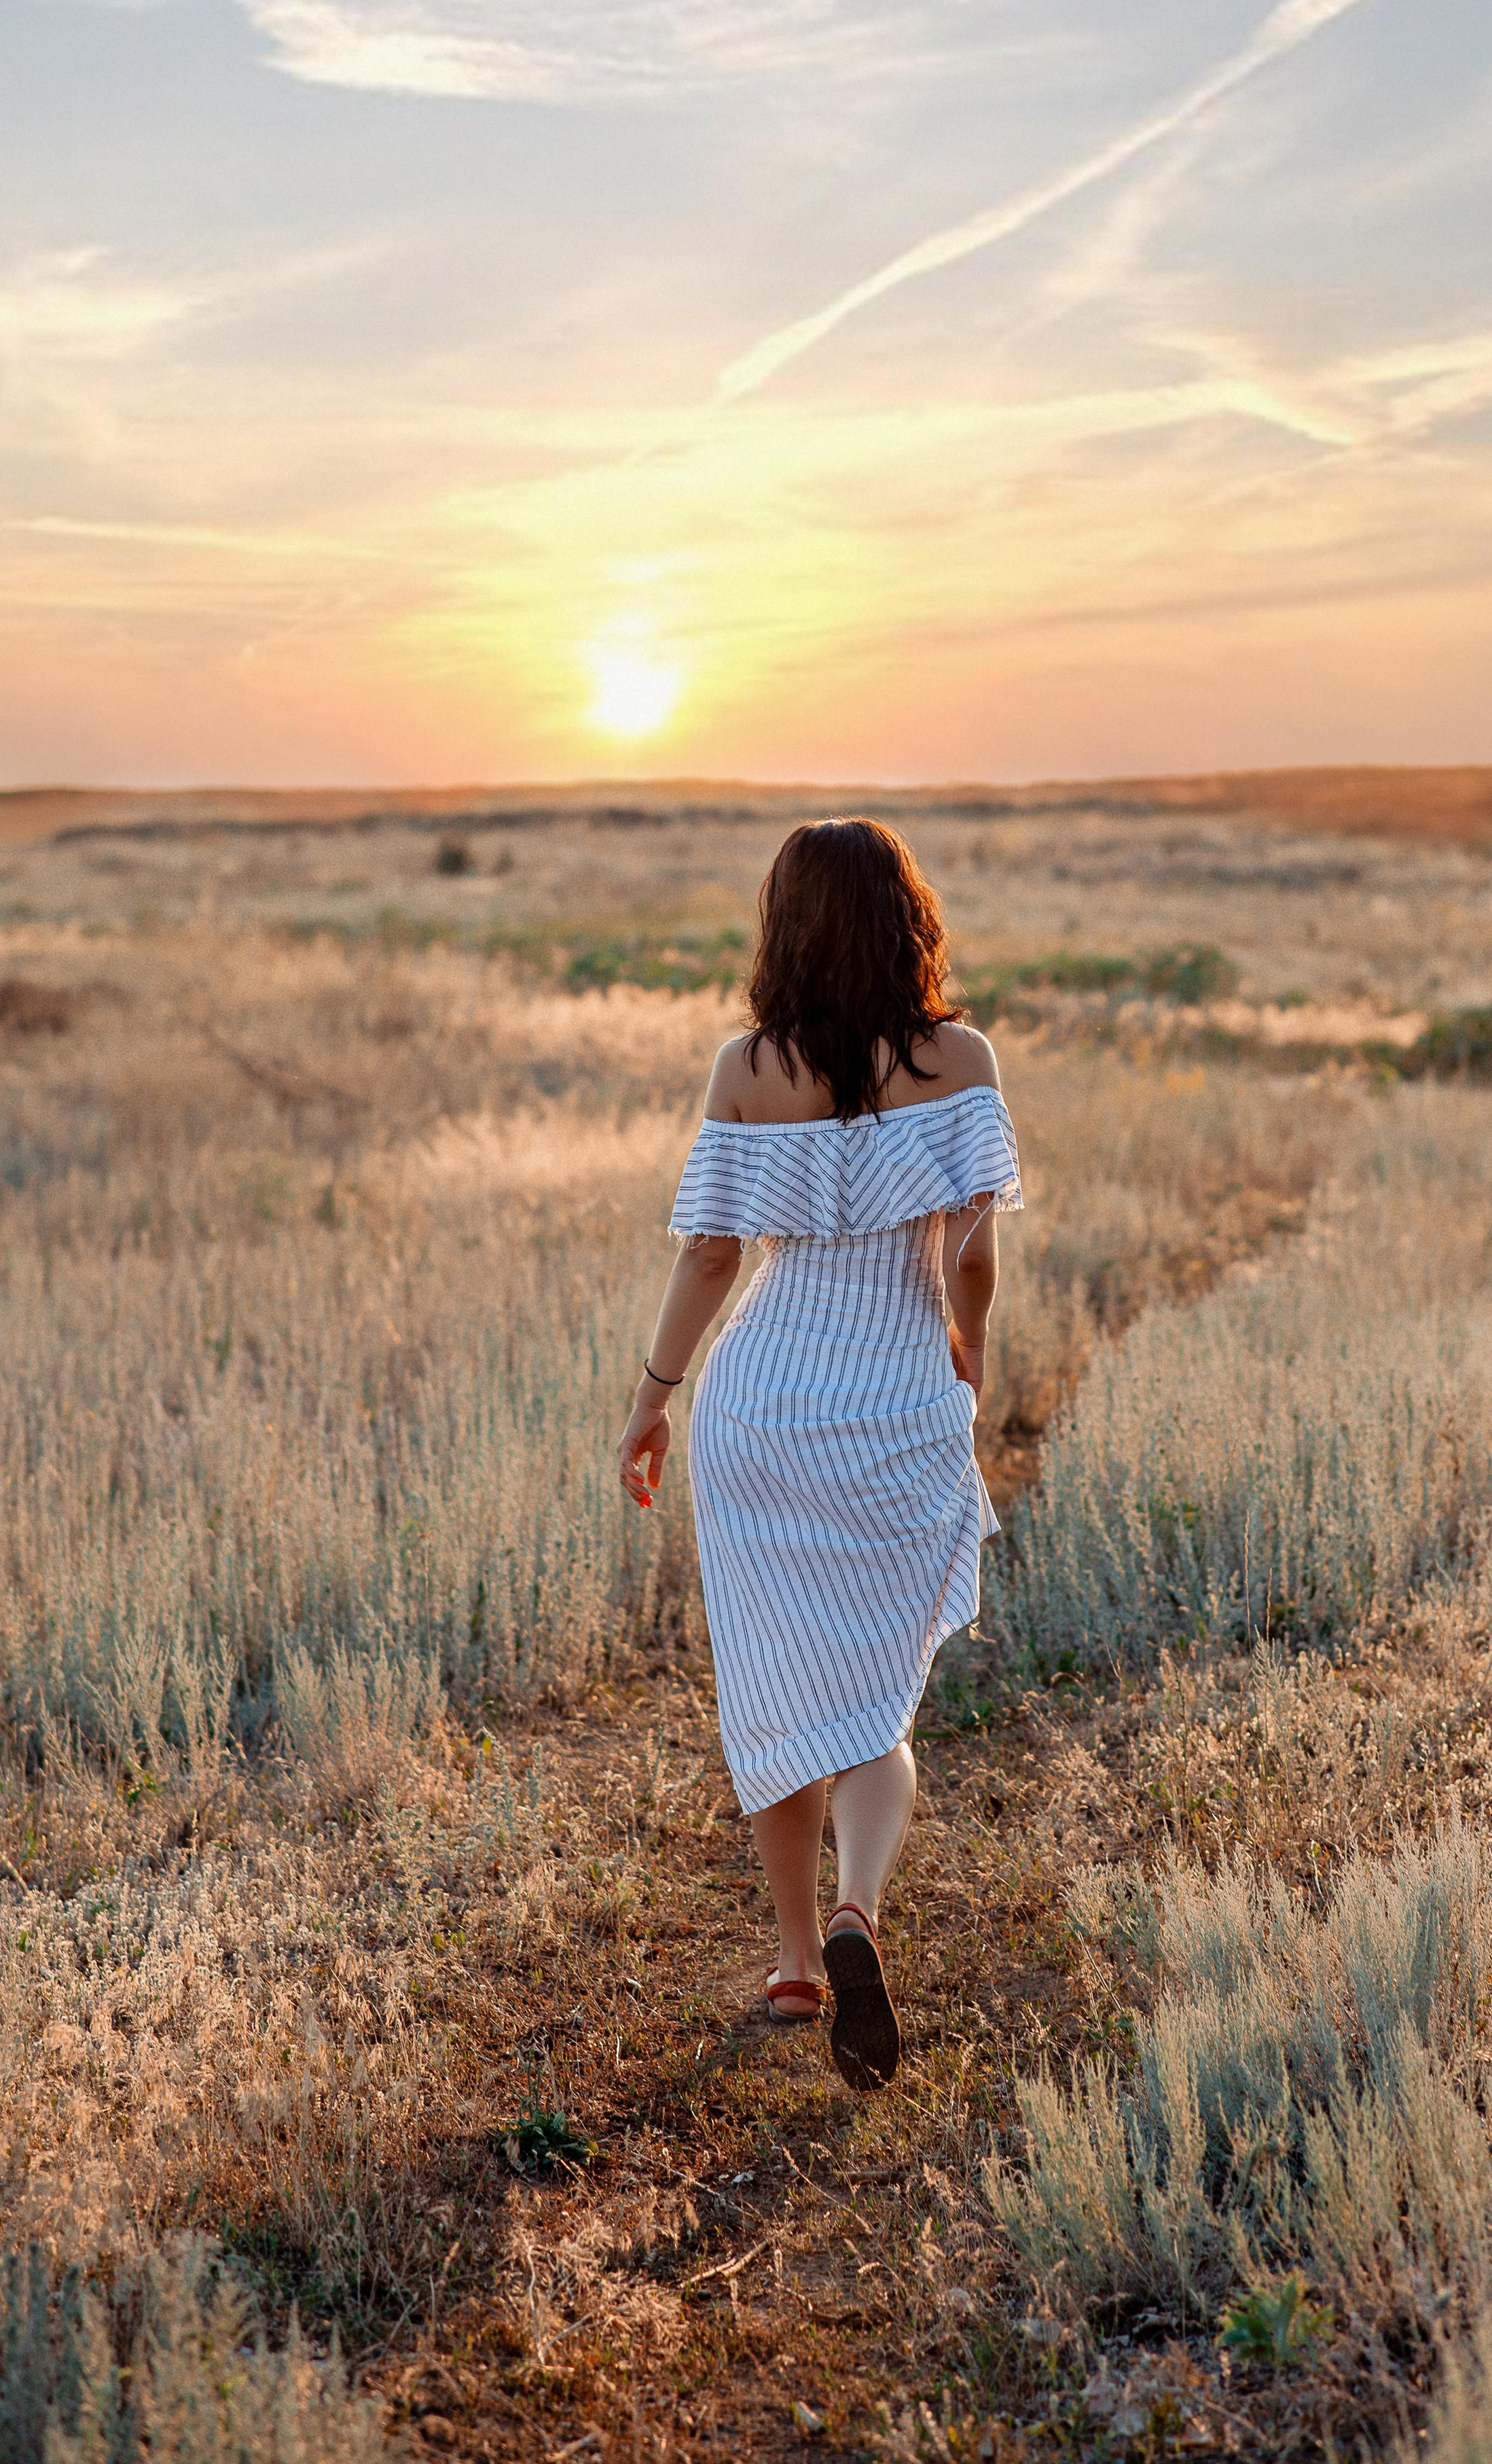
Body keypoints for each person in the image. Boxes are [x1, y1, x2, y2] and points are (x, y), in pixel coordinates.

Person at [615, 818, 1020, 2091]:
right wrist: (967, 1345)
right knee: (877, 1695)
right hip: (895, 1402)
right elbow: (976, 1250)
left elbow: (712, 1254)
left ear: (783, 922)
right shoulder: (960, 1059)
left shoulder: (747, 1067)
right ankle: (858, 1911)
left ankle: (796, 1964)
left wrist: (653, 1398)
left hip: (761, 1406)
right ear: (908, 917)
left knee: (775, 1684)